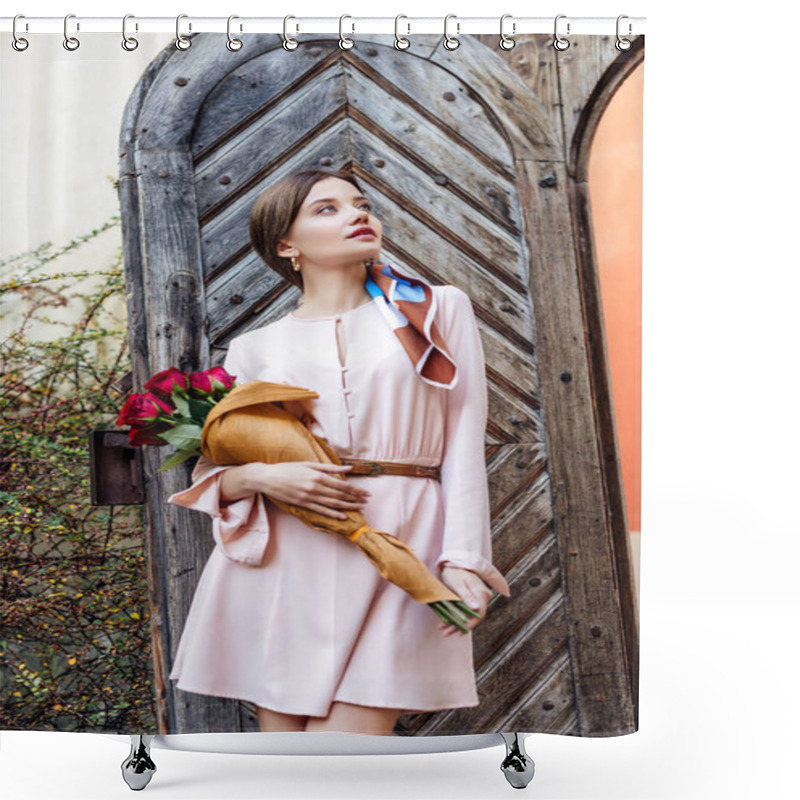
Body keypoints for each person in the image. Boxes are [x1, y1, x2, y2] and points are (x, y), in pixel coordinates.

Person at [167, 168, 511, 736]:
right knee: (286, 767)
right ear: (286, 245)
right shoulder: (254, 349)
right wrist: (265, 479)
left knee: (343, 757)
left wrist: (464, 558)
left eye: (361, 204)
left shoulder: (433, 310)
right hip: (289, 555)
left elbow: (464, 439)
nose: (358, 214)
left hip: (404, 546)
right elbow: (216, 473)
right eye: (326, 209)